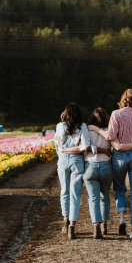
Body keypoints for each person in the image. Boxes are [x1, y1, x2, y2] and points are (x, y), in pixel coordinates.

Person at [90, 89, 132, 239]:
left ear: (123, 100)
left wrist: (96, 129)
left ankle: (122, 217)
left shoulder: (116, 114)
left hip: (119, 156)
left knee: (120, 188)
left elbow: (110, 136)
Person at [54, 103, 91, 240]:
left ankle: (65, 219)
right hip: (77, 161)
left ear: (65, 114)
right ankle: (72, 227)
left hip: (63, 161)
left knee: (64, 191)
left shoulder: (60, 126)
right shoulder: (83, 126)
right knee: (75, 193)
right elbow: (85, 147)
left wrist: (64, 151)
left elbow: (58, 145)